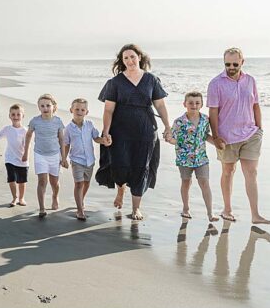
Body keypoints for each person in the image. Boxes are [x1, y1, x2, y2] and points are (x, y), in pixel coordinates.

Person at [97, 44, 171, 220]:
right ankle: (121, 189)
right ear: (122, 61)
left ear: (139, 57)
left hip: (146, 129)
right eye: (126, 58)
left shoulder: (151, 80)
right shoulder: (114, 83)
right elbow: (108, 110)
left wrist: (168, 127)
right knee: (120, 164)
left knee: (141, 166)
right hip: (120, 129)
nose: (130, 60)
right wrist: (106, 132)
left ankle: (136, 208)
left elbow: (160, 105)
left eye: (132, 56)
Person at [207, 47, 270, 224]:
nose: (231, 67)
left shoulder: (250, 80)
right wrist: (216, 136)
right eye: (227, 64)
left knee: (251, 172)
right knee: (228, 172)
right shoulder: (215, 84)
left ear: (242, 62)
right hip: (227, 137)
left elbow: (256, 105)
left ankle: (255, 215)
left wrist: (260, 128)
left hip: (251, 134)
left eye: (235, 64)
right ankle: (227, 209)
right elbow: (213, 112)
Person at [165, 91, 219, 222]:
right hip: (184, 158)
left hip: (201, 158)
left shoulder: (206, 119)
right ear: (185, 104)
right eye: (190, 103)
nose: (194, 105)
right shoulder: (179, 122)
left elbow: (205, 135)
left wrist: (218, 143)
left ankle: (210, 213)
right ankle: (186, 208)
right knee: (186, 182)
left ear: (201, 104)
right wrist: (169, 139)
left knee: (205, 183)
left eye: (197, 103)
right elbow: (172, 139)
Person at [62, 98, 105, 221]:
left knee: (86, 183)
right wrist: (64, 159)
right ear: (71, 110)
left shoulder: (90, 125)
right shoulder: (69, 128)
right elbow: (66, 144)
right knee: (79, 183)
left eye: (82, 109)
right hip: (77, 160)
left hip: (90, 161)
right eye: (77, 109)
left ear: (86, 112)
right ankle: (80, 210)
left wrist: (103, 140)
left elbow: (96, 138)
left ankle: (81, 200)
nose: (79, 111)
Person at [23, 94, 65, 218]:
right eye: (42, 106)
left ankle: (55, 196)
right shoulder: (35, 121)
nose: (45, 108)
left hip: (54, 155)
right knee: (42, 181)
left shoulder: (58, 121)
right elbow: (28, 135)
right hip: (40, 154)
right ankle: (41, 208)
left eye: (48, 105)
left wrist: (63, 157)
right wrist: (26, 152)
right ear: (39, 107)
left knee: (54, 182)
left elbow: (62, 139)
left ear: (53, 107)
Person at [0, 104, 29, 207]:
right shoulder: (7, 129)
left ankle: (21, 198)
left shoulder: (25, 131)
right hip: (9, 158)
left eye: (18, 114)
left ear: (23, 116)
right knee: (11, 179)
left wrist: (26, 155)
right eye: (13, 114)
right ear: (9, 116)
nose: (15, 117)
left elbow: (28, 145)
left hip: (22, 160)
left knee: (22, 181)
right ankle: (14, 197)